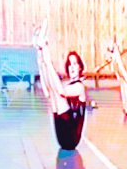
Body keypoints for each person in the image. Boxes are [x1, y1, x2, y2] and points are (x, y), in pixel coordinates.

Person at [33, 20, 87, 150]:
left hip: (72, 137)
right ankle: (41, 51)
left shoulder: (80, 87)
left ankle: (44, 47)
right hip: (61, 135)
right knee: (52, 92)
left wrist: (49, 63)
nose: (71, 67)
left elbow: (61, 92)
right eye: (69, 64)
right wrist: (41, 63)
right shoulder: (67, 85)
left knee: (57, 93)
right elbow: (47, 89)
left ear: (80, 67)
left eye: (74, 64)